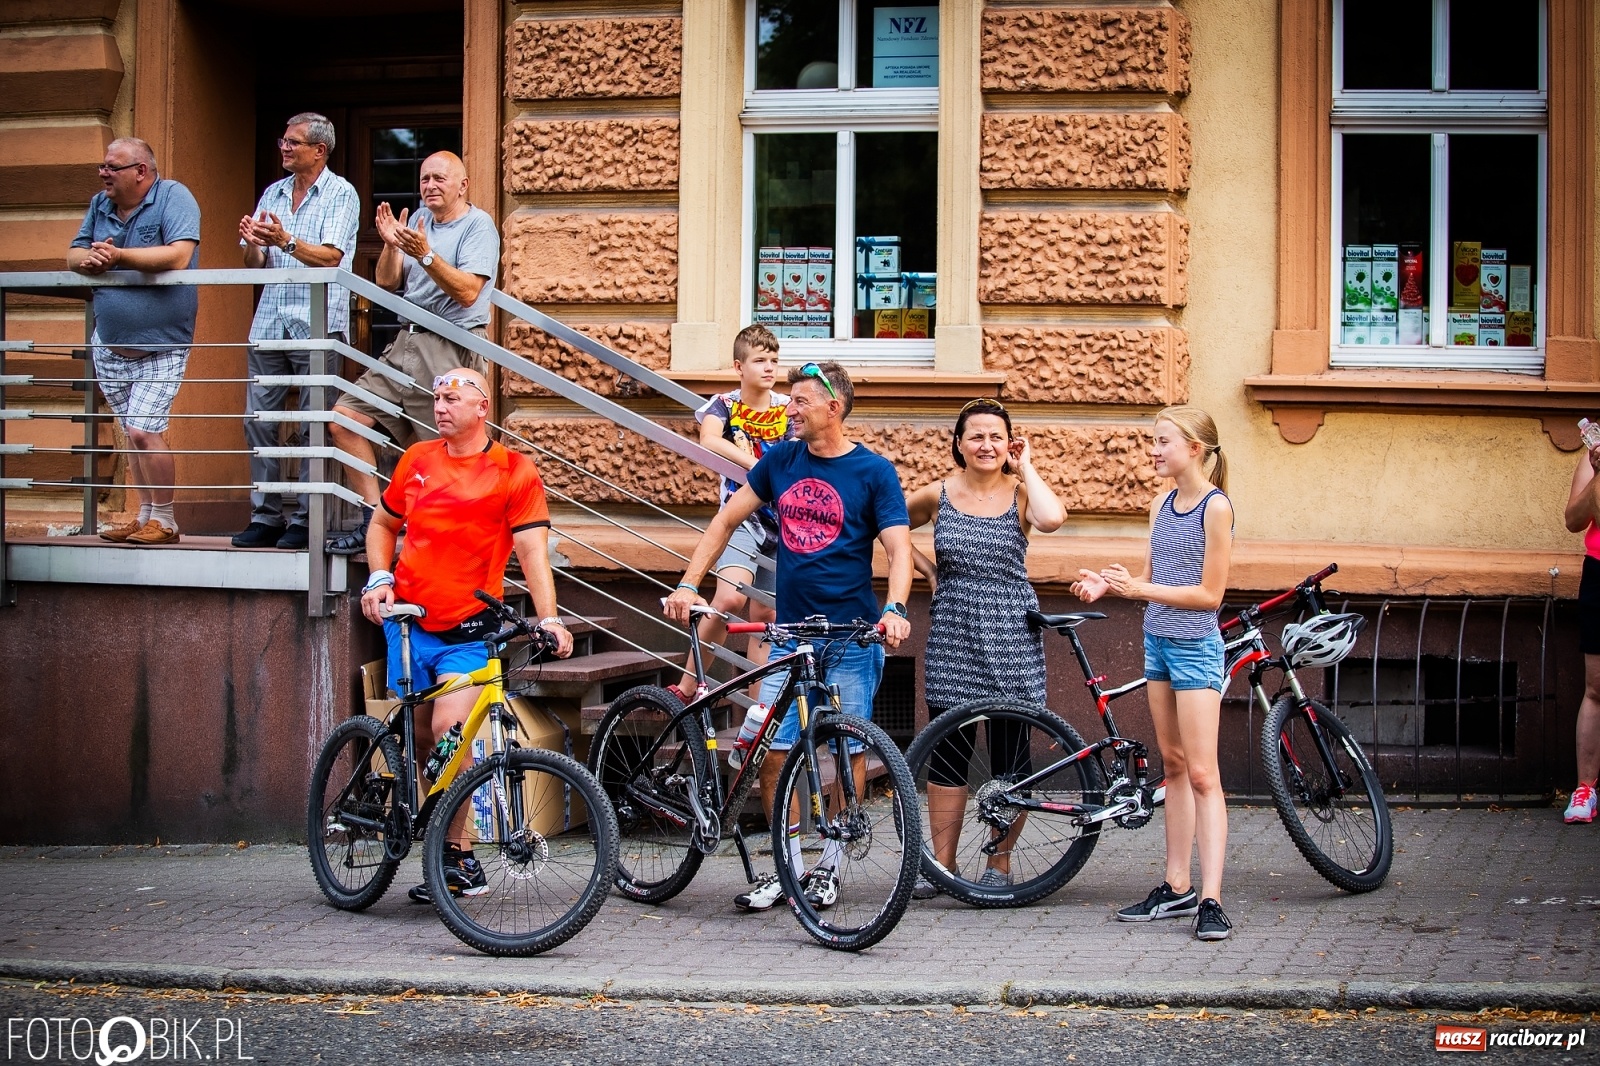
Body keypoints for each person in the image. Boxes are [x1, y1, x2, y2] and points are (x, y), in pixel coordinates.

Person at [664, 361, 913, 913]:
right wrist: (688, 582)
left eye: (799, 402)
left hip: (851, 636)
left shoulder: (873, 472)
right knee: (773, 752)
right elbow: (727, 521)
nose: (789, 410)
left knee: (847, 749)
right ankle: (787, 866)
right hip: (789, 635)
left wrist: (894, 608)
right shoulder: (781, 459)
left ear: (835, 407)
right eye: (790, 400)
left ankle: (831, 866)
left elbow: (899, 552)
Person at [359, 367, 573, 903]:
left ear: (482, 408)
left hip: (468, 631)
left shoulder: (512, 471)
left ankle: (456, 854)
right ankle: (428, 838)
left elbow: (532, 555)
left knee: (451, 734)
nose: (440, 405)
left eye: (453, 397)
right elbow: (384, 524)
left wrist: (549, 618)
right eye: (436, 396)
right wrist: (379, 578)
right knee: (421, 739)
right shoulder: (416, 461)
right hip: (407, 623)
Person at [1072, 405, 1235, 942]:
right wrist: (1109, 585)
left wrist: (1141, 591)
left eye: (1163, 441)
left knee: (1204, 773)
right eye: (1154, 441)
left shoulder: (1216, 508)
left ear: (1195, 448)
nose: (1154, 450)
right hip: (1158, 643)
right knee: (1174, 767)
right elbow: (1152, 575)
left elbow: (1210, 597)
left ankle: (1211, 899)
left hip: (1194, 648)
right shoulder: (1160, 504)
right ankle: (1176, 885)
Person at [904, 398, 1066, 898]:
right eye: (976, 435)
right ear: (958, 443)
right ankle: (943, 866)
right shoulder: (937, 494)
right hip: (953, 631)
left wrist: (1029, 467)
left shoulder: (1021, 495)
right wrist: (925, 569)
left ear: (1010, 442)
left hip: (1012, 635)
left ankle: (1000, 861)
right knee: (948, 753)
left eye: (997, 436)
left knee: (1009, 757)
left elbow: (1053, 518)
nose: (986, 445)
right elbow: (882, 526)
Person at [328, 150, 497, 554]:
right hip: (406, 340)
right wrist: (390, 246)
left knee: (446, 448)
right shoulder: (419, 220)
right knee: (344, 419)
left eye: (440, 178)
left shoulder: (478, 225)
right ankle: (376, 518)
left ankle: (466, 540)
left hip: (450, 344)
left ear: (463, 184)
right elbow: (385, 282)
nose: (430, 186)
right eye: (424, 179)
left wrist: (424, 253)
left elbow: (469, 290)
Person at [232, 113, 361, 550]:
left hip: (318, 324)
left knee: (313, 427)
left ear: (319, 150)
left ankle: (307, 520)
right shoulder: (273, 191)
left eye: (293, 142)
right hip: (270, 320)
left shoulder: (342, 193)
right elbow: (254, 266)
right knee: (258, 422)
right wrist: (253, 242)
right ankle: (265, 517)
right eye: (283, 140)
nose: (284, 148)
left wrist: (284, 240)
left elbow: (330, 257)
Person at [67, 137, 201, 546]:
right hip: (109, 344)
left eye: (112, 167)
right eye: (102, 167)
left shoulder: (173, 197)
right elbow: (72, 254)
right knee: (130, 430)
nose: (104, 173)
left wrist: (117, 257)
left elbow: (179, 255)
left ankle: (165, 520)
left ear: (140, 171)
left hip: (163, 343)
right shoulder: (100, 204)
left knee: (144, 429)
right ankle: (144, 516)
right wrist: (87, 262)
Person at [669, 324, 792, 701]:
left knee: (766, 616)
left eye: (773, 360)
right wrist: (758, 467)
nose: (769, 368)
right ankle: (688, 685)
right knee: (729, 599)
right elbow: (709, 439)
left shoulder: (788, 408)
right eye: (759, 360)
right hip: (743, 518)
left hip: (783, 521)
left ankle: (758, 708)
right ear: (739, 366)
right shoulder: (724, 404)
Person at [1561, 441, 1600, 824]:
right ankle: (1585, 788)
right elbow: (1573, 520)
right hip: (1599, 574)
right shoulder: (1596, 454)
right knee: (1596, 688)